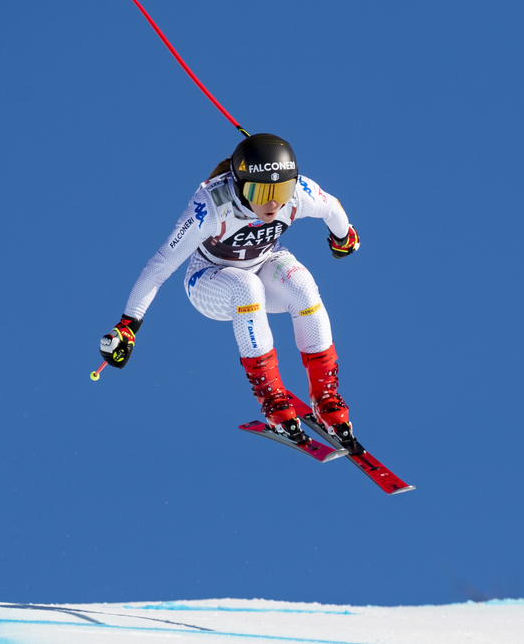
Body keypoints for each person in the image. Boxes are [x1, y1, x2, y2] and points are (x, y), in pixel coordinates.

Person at [98, 133, 360, 449]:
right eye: (261, 191)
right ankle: (273, 399)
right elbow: (160, 266)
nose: (273, 203)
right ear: (238, 185)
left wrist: (343, 237)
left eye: (280, 190)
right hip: (210, 278)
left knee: (303, 286)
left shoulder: (297, 194)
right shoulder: (210, 208)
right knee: (246, 287)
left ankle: (326, 397)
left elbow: (331, 207)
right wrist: (129, 324)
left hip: (265, 261)